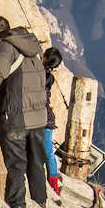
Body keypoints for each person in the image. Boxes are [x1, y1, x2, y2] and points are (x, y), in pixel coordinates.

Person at [0, 15, 48, 208]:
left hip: (17, 116)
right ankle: (40, 202)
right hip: (38, 118)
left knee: (16, 163)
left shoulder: (4, 47)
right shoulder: (32, 46)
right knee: (36, 161)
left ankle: (17, 205)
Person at [42, 47, 63, 196]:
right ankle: (53, 182)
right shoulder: (49, 76)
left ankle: (53, 185)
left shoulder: (39, 73)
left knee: (48, 152)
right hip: (48, 118)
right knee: (49, 153)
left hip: (42, 118)